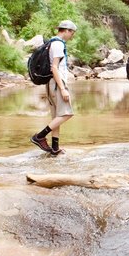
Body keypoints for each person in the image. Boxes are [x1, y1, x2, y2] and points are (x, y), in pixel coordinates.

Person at [30, 20, 77, 155]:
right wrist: (62, 88)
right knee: (67, 113)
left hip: (51, 83)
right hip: (57, 83)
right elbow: (54, 68)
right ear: (67, 31)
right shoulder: (58, 45)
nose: (71, 36)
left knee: (57, 116)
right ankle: (39, 136)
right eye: (72, 33)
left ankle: (55, 148)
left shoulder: (52, 42)